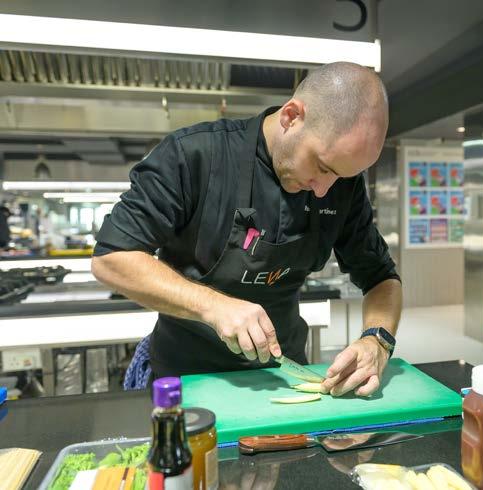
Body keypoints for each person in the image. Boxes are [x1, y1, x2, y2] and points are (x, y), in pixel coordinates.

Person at [92, 62, 402, 397]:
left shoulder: (341, 186)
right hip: (186, 382)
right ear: (291, 117)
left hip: (285, 382)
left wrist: (377, 340)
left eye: (340, 176)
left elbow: (381, 278)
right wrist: (214, 306)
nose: (324, 189)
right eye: (322, 167)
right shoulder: (195, 155)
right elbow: (112, 258)